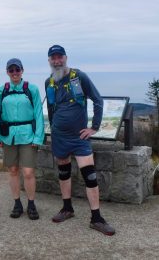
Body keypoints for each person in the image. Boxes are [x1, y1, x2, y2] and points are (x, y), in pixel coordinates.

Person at [45, 44, 115, 236]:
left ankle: (97, 218)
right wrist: (53, 128)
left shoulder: (79, 76)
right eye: (53, 58)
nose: (57, 61)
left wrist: (94, 127)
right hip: (59, 136)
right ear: (49, 61)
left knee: (90, 176)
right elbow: (51, 108)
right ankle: (67, 208)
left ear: (66, 58)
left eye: (60, 57)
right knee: (64, 172)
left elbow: (98, 100)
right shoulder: (49, 81)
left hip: (79, 137)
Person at [0, 58, 44, 220]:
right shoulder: (2, 90)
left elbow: (38, 114)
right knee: (13, 170)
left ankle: (31, 203)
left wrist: (38, 137)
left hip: (28, 135)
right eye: (11, 70)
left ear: (22, 70)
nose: (14, 73)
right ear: (7, 72)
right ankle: (17, 203)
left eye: (17, 70)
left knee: (28, 172)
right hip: (8, 136)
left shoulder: (32, 89)